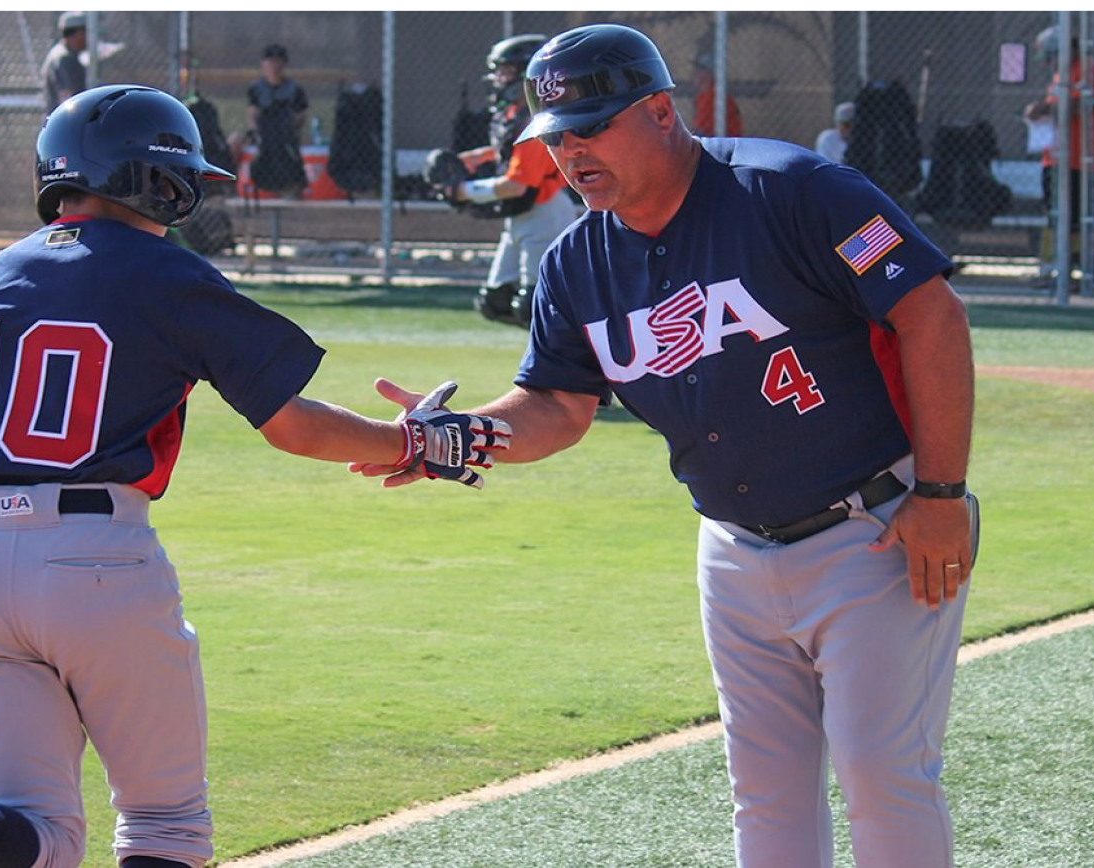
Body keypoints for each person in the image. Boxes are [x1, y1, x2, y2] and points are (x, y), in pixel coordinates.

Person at [0, 85, 509, 868]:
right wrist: (411, 444)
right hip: (97, 561)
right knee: (164, 825)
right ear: (163, 181)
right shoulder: (167, 275)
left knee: (37, 826)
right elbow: (291, 424)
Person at [355, 24, 978, 868]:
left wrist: (940, 495)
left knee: (882, 776)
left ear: (658, 111)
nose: (572, 152)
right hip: (729, 548)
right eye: (557, 136)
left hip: (874, 527)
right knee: (764, 793)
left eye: (593, 126)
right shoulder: (578, 260)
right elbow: (558, 403)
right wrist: (462, 436)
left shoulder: (793, 190)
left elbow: (929, 311)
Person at [446, 33, 579, 327]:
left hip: (544, 212)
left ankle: (564, 354)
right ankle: (547, 347)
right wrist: (478, 157)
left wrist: (462, 190)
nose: (498, 77)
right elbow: (507, 152)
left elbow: (515, 184)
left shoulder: (537, 121)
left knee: (531, 304)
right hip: (521, 214)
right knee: (495, 302)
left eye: (505, 70)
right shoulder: (513, 113)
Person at [1024, 25, 1094, 236]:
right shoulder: (1060, 76)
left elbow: (1073, 107)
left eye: (1052, 56)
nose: (1050, 63)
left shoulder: (1088, 70)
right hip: (1055, 158)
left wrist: (1045, 108)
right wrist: (1037, 111)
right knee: (1058, 220)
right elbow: (1055, 107)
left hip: (1082, 159)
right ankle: (1064, 265)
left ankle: (1086, 265)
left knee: (1085, 222)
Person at [232, 43, 310, 196]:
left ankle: (292, 185)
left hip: (284, 132)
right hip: (261, 131)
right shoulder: (256, 88)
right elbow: (252, 114)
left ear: (284, 64)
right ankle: (231, 184)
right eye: (270, 62)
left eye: (278, 61)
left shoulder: (294, 89)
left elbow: (300, 117)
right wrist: (256, 131)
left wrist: (285, 126)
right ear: (263, 64)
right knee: (234, 140)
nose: (274, 66)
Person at [41, 10, 88, 114]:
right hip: (66, 121)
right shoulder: (64, 58)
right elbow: (67, 96)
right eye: (86, 32)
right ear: (79, 33)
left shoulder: (61, 53)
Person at [690, 49, 744, 138]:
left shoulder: (714, 96)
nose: (695, 73)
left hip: (726, 144)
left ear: (710, 73)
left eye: (700, 70)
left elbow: (702, 131)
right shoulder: (703, 95)